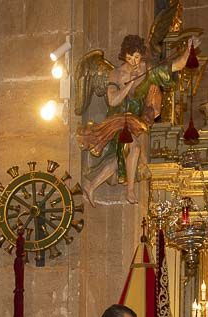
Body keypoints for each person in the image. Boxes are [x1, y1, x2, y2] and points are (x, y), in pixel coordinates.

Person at [76, 34, 196, 203]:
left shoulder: (148, 69)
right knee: (135, 148)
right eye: (130, 58)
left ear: (142, 55)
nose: (134, 62)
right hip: (118, 121)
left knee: (120, 159)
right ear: (124, 56)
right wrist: (130, 83)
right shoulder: (116, 74)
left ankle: (92, 185)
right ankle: (130, 191)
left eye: (137, 57)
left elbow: (177, 65)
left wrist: (189, 50)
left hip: (134, 121)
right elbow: (113, 100)